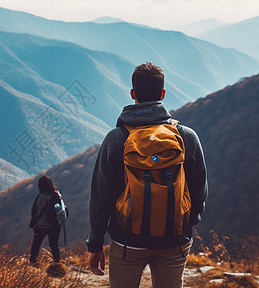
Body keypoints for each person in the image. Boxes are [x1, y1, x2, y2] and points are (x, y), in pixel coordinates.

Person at [86, 62, 208, 288]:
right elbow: (199, 190)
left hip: (127, 240)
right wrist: (186, 222)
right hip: (174, 239)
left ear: (132, 94)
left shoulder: (117, 138)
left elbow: (101, 197)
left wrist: (95, 245)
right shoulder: (186, 137)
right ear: (162, 94)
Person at [29, 175, 68, 263]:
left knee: (36, 244)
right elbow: (61, 210)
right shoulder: (56, 195)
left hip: (40, 225)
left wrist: (35, 221)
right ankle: (57, 263)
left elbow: (34, 211)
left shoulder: (40, 196)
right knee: (54, 244)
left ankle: (33, 262)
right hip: (55, 225)